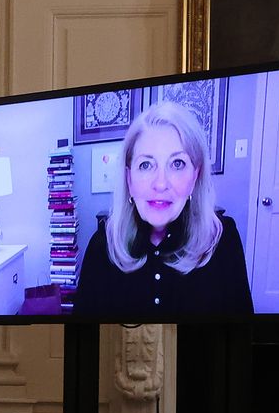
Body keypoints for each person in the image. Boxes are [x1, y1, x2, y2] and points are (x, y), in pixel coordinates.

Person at [73, 101, 253, 316]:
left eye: (177, 164)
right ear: (129, 179)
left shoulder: (222, 239)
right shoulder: (103, 245)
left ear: (195, 177)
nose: (160, 184)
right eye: (146, 165)